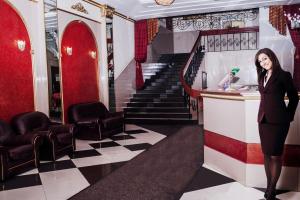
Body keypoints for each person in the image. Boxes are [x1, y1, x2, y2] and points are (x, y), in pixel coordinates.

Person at [254, 48, 299, 200]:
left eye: (265, 58)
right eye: (260, 61)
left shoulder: (283, 75)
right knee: (266, 154)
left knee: (275, 156)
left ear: (272, 57)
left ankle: (272, 189)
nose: (263, 62)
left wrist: (288, 116)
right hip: (263, 121)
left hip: (279, 122)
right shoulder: (262, 75)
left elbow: (294, 98)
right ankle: (270, 186)